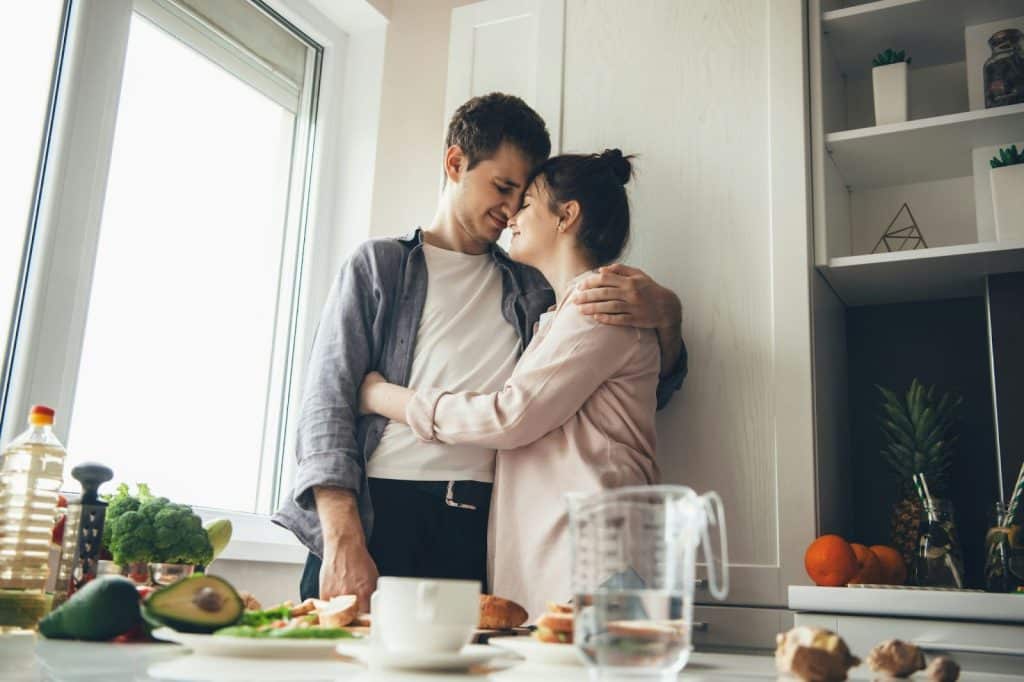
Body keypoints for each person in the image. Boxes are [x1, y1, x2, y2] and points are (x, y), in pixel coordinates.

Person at [271, 93, 687, 610]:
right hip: (379, 514)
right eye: (504, 187)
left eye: (524, 196)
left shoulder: (539, 289)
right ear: (455, 163)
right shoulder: (379, 266)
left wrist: (668, 317)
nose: (511, 210)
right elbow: (325, 404)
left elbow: (641, 393)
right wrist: (341, 539)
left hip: (478, 530)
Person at [359, 149, 658, 619]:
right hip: (560, 562)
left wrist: (384, 397)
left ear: (567, 216)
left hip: (595, 564)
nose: (511, 218)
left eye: (527, 205)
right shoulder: (557, 317)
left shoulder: (597, 308)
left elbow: (509, 418)